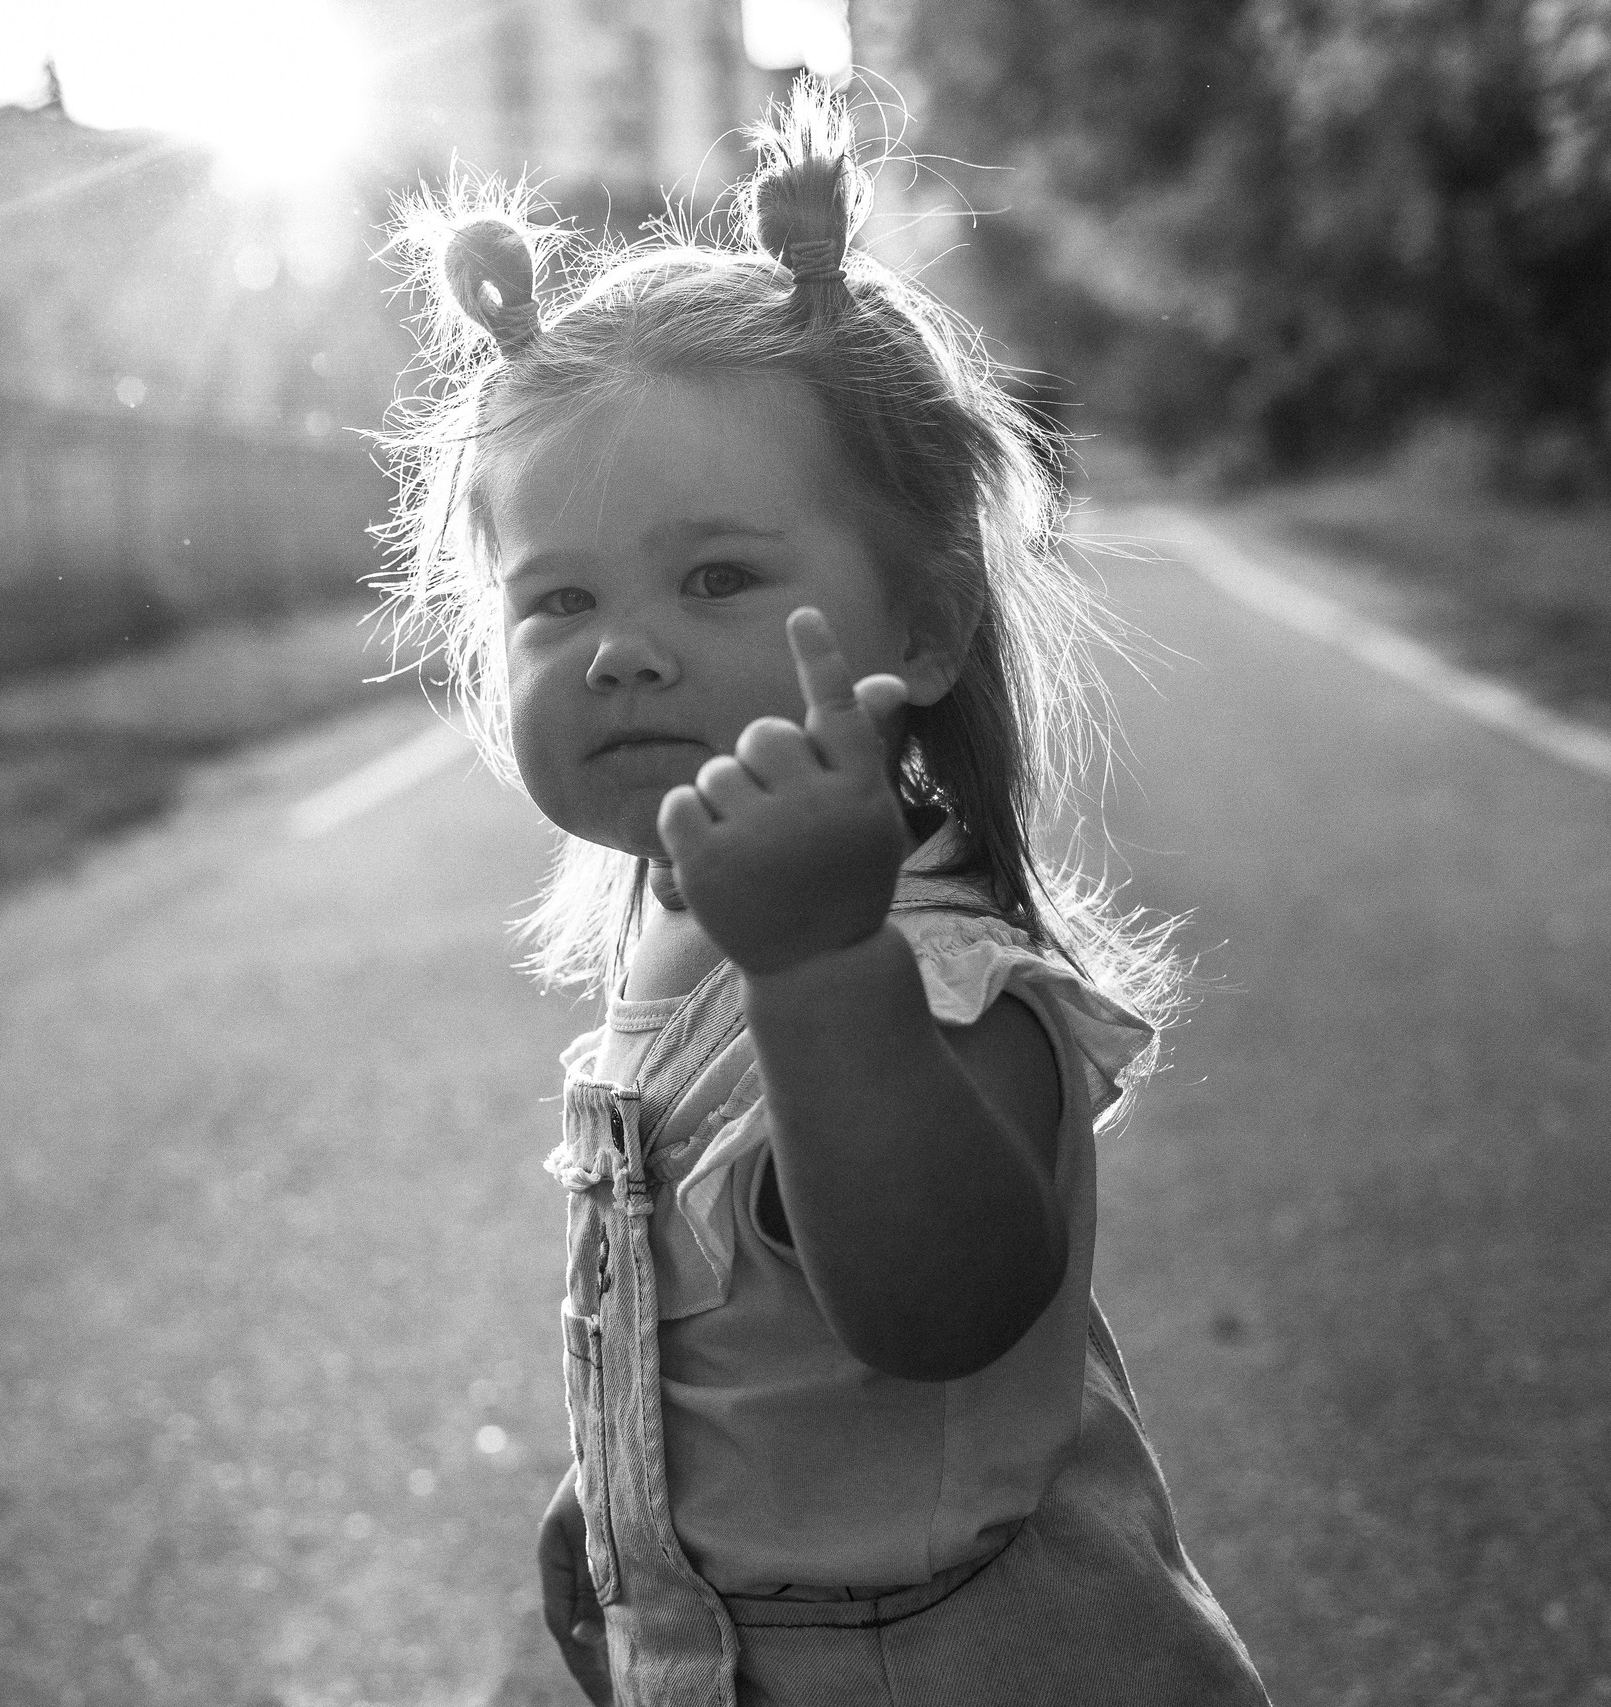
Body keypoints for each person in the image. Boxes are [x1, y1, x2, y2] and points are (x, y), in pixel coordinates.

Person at [376, 79, 1274, 1707]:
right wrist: (631, 1506)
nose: (621, 646)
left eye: (715, 576)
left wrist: (817, 971)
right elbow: (741, 1351)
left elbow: (941, 1308)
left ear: (920, 632)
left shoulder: (928, 970)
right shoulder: (680, 919)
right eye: (555, 599)